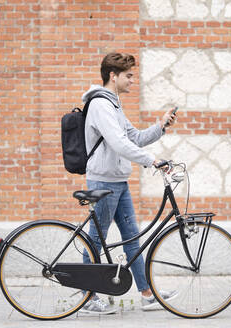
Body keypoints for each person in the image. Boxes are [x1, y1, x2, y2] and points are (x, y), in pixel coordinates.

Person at [79, 53, 177, 314]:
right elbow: (118, 143)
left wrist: (160, 126)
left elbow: (133, 137)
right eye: (129, 75)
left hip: (119, 181)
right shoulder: (101, 105)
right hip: (103, 180)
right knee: (95, 240)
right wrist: (151, 161)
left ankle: (146, 294)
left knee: (132, 238)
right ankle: (87, 298)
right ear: (114, 76)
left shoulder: (114, 104)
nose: (133, 80)